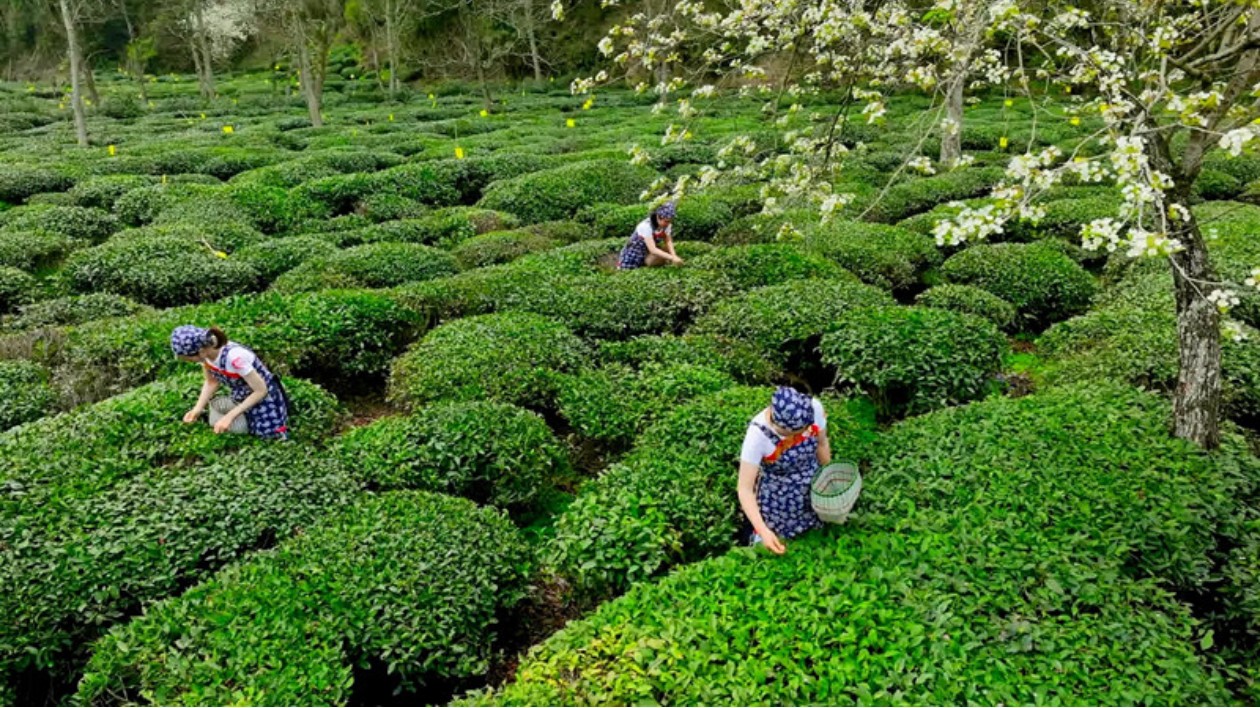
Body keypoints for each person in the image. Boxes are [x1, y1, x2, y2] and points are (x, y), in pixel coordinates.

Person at [737, 386, 832, 555]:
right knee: (780, 546)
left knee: (814, 542)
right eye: (792, 433)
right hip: (778, 497)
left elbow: (822, 444)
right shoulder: (757, 435)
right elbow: (744, 489)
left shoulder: (814, 408)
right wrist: (763, 531)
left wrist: (830, 478)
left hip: (812, 485)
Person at [171, 325, 291, 440]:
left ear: (201, 351)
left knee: (268, 435)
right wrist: (197, 409)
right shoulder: (206, 356)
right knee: (246, 429)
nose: (189, 361)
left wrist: (229, 416)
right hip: (241, 395)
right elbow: (211, 382)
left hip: (263, 398)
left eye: (189, 358)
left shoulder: (235, 358)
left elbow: (261, 391)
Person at [617, 200, 683, 269]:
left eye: (670, 221)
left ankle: (649, 263)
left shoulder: (667, 224)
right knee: (630, 269)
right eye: (666, 221)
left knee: (666, 250)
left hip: (647, 252)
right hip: (635, 253)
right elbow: (653, 250)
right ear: (658, 217)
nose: (668, 223)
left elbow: (668, 241)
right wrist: (672, 258)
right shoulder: (646, 226)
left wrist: (674, 255)